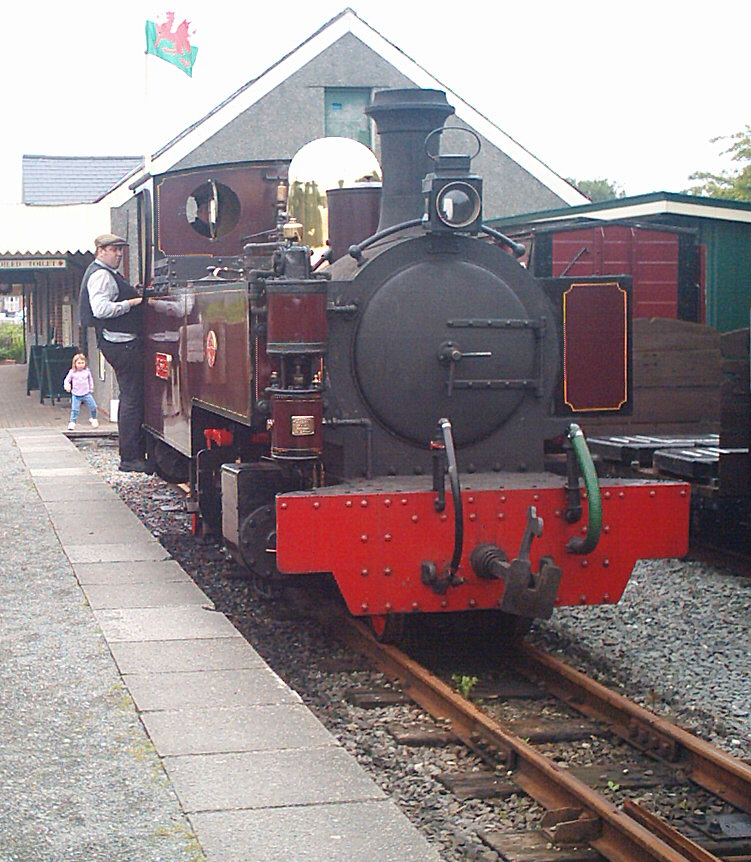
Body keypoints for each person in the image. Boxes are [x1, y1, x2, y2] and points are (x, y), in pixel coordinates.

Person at [78, 233, 150, 473]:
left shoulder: (104, 273)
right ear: (100, 251)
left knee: (131, 395)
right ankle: (130, 457)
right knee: (132, 397)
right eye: (114, 249)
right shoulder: (101, 275)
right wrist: (131, 303)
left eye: (121, 249)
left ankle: (133, 453)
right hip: (122, 343)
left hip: (118, 342)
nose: (119, 254)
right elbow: (100, 309)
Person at [63, 353, 98, 431]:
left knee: (93, 406)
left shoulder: (87, 371)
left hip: (86, 393)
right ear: (75, 364)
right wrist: (67, 385)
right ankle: (72, 422)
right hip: (76, 394)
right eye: (79, 363)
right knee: (75, 409)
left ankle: (93, 418)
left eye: (82, 363)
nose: (81, 365)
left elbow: (90, 379)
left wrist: (91, 388)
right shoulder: (72, 372)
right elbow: (67, 380)